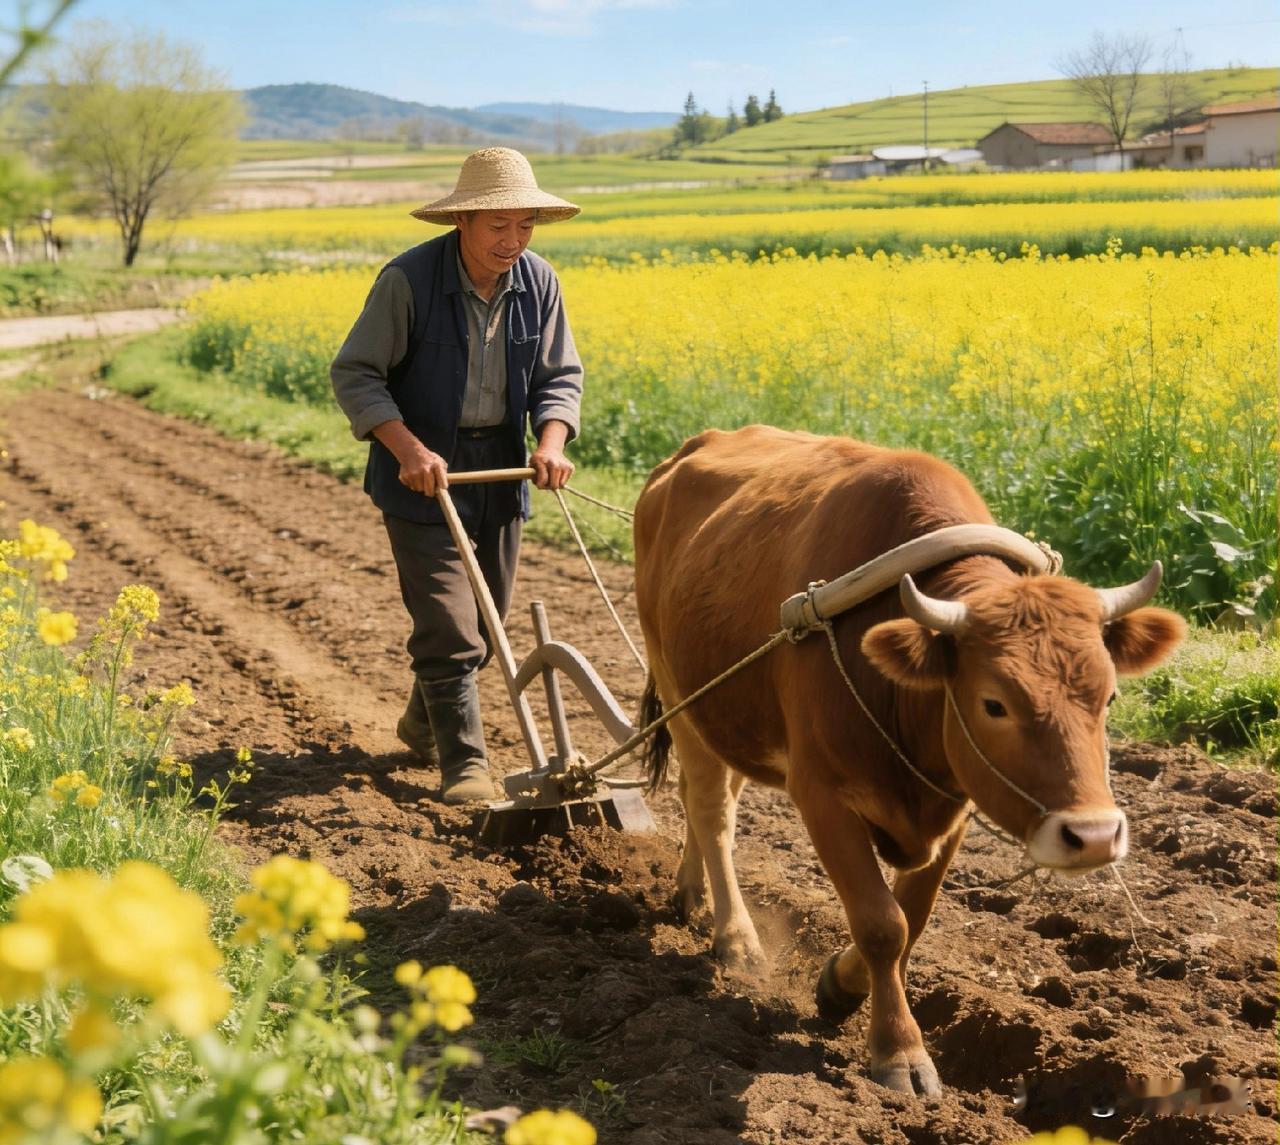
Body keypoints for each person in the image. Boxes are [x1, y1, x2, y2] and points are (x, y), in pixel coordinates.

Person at [331, 147, 583, 804]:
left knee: (487, 627)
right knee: (448, 621)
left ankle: (422, 721)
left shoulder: (540, 283)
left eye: (525, 225)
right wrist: (407, 449)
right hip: (419, 472)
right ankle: (464, 763)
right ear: (463, 221)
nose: (513, 240)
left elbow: (559, 377)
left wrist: (551, 442)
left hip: (499, 472)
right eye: (499, 225)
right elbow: (356, 373)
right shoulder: (408, 281)